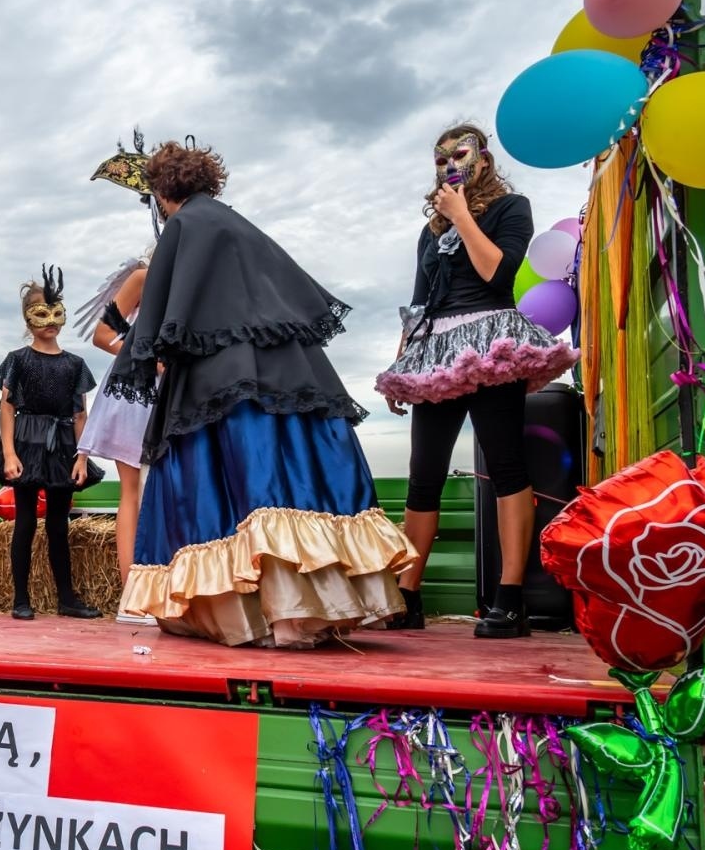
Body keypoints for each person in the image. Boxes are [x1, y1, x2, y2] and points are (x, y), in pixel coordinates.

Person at [108, 140, 416, 647]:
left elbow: (162, 316)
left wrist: (147, 360)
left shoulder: (182, 226)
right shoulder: (243, 227)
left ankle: (264, 617)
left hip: (219, 379)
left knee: (235, 487)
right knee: (290, 485)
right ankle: (314, 610)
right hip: (290, 371)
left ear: (164, 193)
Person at [374, 124, 579, 637]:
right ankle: (408, 595)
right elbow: (421, 300)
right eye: (441, 156)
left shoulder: (513, 207)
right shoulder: (430, 230)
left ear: (482, 160)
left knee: (506, 465)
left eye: (460, 154)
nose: (450, 163)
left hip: (491, 340)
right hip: (438, 347)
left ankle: (510, 601)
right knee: (425, 472)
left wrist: (463, 216)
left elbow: (499, 273)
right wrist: (405, 362)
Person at [0, 267, 105, 621]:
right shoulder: (18, 360)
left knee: (59, 524)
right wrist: (10, 454)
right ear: (28, 320)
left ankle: (67, 599)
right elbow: (7, 407)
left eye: (55, 311)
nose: (50, 320)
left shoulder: (75, 364)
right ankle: (20, 598)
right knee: (26, 521)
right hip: (27, 442)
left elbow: (80, 415)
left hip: (62, 447)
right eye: (40, 313)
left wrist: (82, 457)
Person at [74, 131, 159, 620]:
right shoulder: (145, 274)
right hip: (136, 390)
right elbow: (102, 336)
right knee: (134, 488)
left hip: (180, 389)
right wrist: (145, 353)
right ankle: (133, 595)